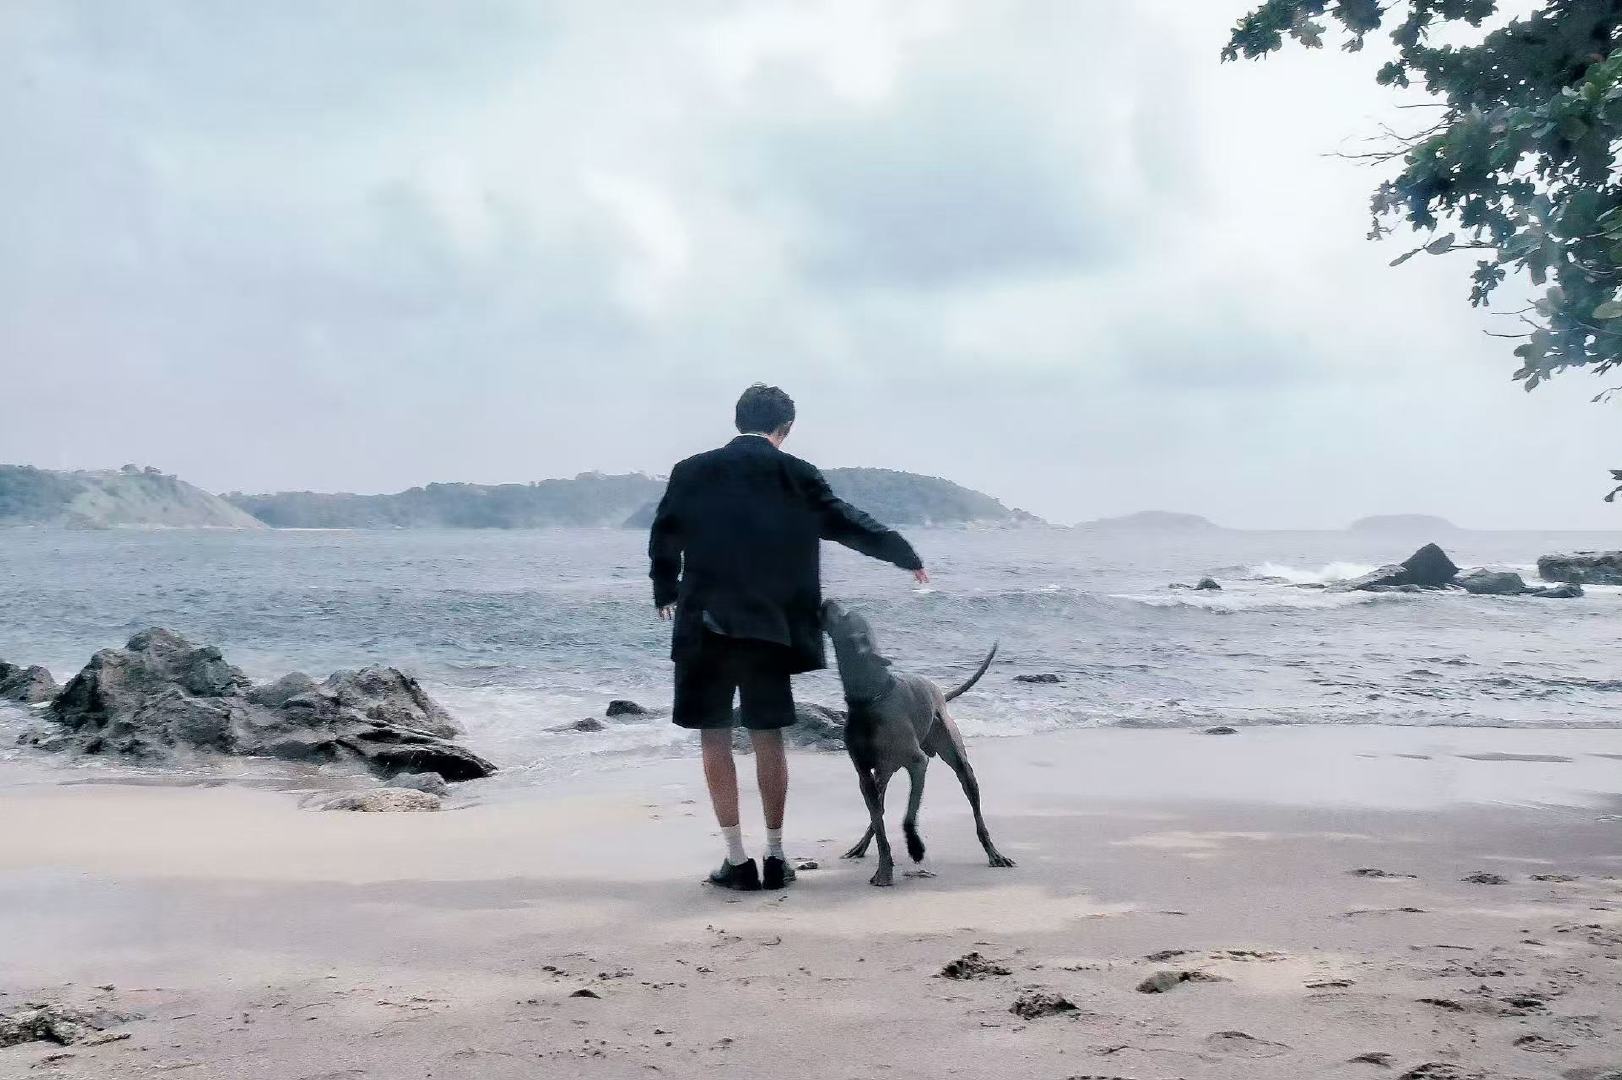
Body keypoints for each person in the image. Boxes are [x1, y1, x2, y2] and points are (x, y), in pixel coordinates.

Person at [648, 384, 929, 891]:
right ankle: (776, 856)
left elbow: (665, 533)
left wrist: (665, 590)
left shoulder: (692, 470)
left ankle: (735, 860)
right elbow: (847, 522)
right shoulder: (798, 474)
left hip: (705, 621)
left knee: (714, 735)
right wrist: (903, 553)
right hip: (769, 628)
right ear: (786, 428)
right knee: (767, 735)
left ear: (738, 421)